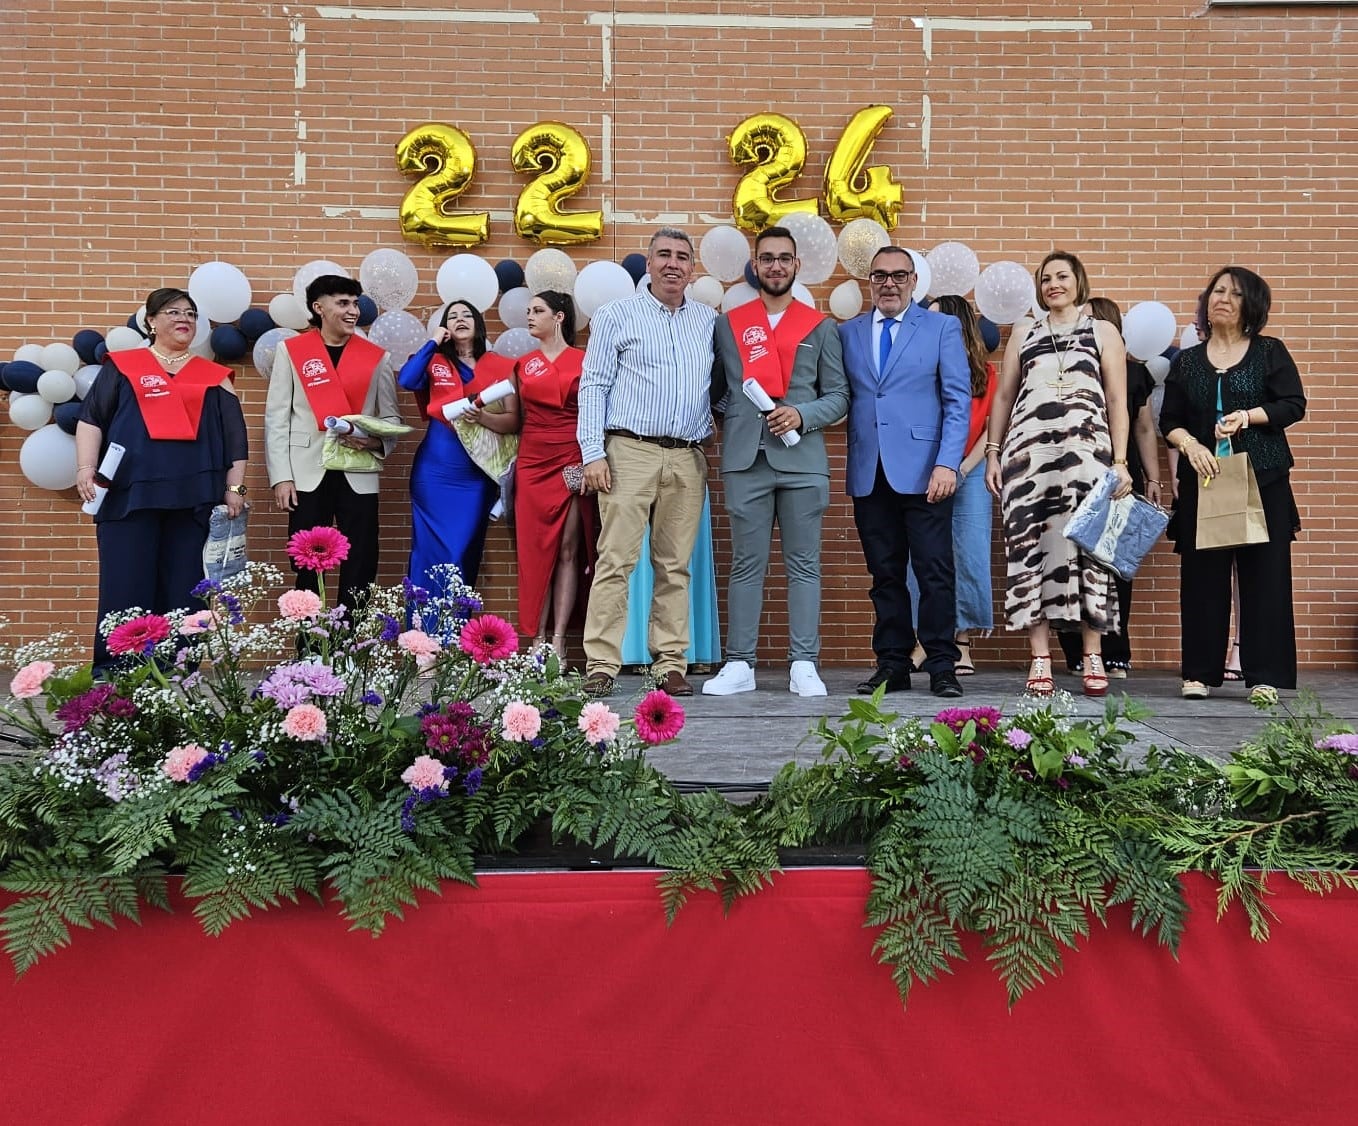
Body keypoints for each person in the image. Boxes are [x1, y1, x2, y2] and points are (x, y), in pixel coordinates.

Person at [704, 226, 849, 697]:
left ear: (796, 265)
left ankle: (804, 662)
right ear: (755, 265)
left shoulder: (820, 326)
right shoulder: (730, 324)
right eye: (767, 258)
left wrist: (802, 414)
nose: (776, 266)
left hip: (803, 461)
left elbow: (840, 397)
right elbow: (716, 393)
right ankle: (740, 663)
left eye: (784, 258)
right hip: (747, 460)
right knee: (746, 565)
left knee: (804, 565)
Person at [75, 288, 248, 673]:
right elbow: (92, 420)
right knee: (125, 584)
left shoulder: (214, 377)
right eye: (173, 312)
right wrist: (86, 468)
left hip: (194, 497)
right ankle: (116, 671)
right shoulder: (122, 367)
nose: (183, 318)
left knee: (184, 589)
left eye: (190, 313)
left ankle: (177, 668)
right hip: (128, 494)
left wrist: (235, 488)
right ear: (151, 320)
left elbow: (235, 437)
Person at [984, 252, 1132, 698]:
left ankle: (1092, 655)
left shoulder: (1103, 331)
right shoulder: (1024, 331)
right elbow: (1004, 395)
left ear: (1078, 281)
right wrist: (993, 452)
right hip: (1028, 460)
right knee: (1030, 552)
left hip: (1089, 459)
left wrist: (1121, 461)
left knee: (1092, 554)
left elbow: (1118, 401)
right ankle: (1041, 659)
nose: (1053, 284)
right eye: (1046, 278)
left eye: (1062, 276)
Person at [577, 227, 717, 698]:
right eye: (663, 255)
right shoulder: (617, 315)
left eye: (682, 257)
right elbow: (593, 384)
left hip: (687, 455)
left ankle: (670, 662)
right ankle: (601, 663)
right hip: (628, 451)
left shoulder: (706, 320)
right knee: (615, 559)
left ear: (692, 268)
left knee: (675, 566)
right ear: (649, 263)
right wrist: (592, 452)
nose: (673, 264)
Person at [1159, 266, 1305, 703]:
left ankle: (1265, 676)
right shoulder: (1187, 361)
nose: (1221, 298)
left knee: (1266, 575)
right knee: (1203, 577)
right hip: (1206, 480)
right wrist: (1189, 446)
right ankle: (1199, 673)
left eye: (1234, 294)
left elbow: (1293, 404)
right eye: (1217, 291)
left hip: (1262, 478)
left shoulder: (1268, 352)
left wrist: (1249, 416)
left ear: (1251, 306)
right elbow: (1170, 421)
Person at [840, 246, 971, 699]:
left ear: (914, 280)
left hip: (926, 471)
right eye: (880, 276)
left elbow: (958, 400)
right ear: (869, 281)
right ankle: (892, 663)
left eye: (898, 275)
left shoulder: (941, 327)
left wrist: (947, 463)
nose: (889, 283)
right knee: (885, 574)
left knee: (935, 571)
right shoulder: (849, 332)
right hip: (869, 470)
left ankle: (941, 665)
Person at [267, 276, 401, 613]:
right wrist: (282, 476)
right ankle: (309, 647)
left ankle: (354, 649)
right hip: (306, 471)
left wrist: (376, 440)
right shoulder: (292, 351)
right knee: (308, 562)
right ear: (319, 307)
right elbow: (277, 417)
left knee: (361, 558)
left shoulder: (376, 358)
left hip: (359, 469)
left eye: (355, 303)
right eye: (343, 303)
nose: (353, 310)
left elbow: (392, 419)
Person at [1057, 296, 1164, 678]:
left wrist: (1153, 478)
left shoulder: (1134, 373)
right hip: (1072, 472)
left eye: (1086, 317)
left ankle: (1115, 651)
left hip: (1119, 474)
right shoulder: (1064, 365)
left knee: (1113, 563)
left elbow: (1145, 428)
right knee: (1070, 560)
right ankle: (1075, 652)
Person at [397, 300, 519, 609]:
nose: (460, 319)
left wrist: (483, 418)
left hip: (475, 475)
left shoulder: (501, 366)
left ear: (478, 323)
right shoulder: (435, 362)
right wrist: (434, 341)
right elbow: (407, 380)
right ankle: (420, 639)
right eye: (452, 317)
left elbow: (513, 422)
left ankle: (454, 638)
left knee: (462, 551)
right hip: (434, 472)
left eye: (467, 314)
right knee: (427, 552)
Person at [904, 294, 998, 677]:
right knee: (920, 556)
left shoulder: (987, 374)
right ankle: (923, 641)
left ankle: (961, 641)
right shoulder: (920, 369)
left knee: (970, 552)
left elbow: (994, 424)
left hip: (970, 469)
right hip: (924, 467)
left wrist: (962, 469)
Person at [512, 291, 594, 658]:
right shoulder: (522, 364)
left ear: (560, 317)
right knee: (533, 551)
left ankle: (559, 639)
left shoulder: (586, 360)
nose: (529, 316)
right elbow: (516, 419)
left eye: (538, 310)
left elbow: (596, 414)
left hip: (571, 456)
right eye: (528, 311)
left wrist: (589, 459)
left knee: (567, 549)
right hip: (532, 460)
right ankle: (535, 639)